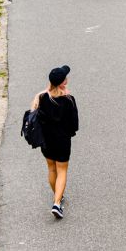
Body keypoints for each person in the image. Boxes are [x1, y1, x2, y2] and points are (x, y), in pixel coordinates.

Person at [31, 65, 78, 219]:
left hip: (46, 140)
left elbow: (34, 117)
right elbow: (74, 125)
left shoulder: (41, 97)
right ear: (63, 82)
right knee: (62, 170)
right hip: (62, 140)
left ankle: (58, 196)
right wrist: (69, 133)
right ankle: (57, 203)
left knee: (52, 169)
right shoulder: (69, 100)